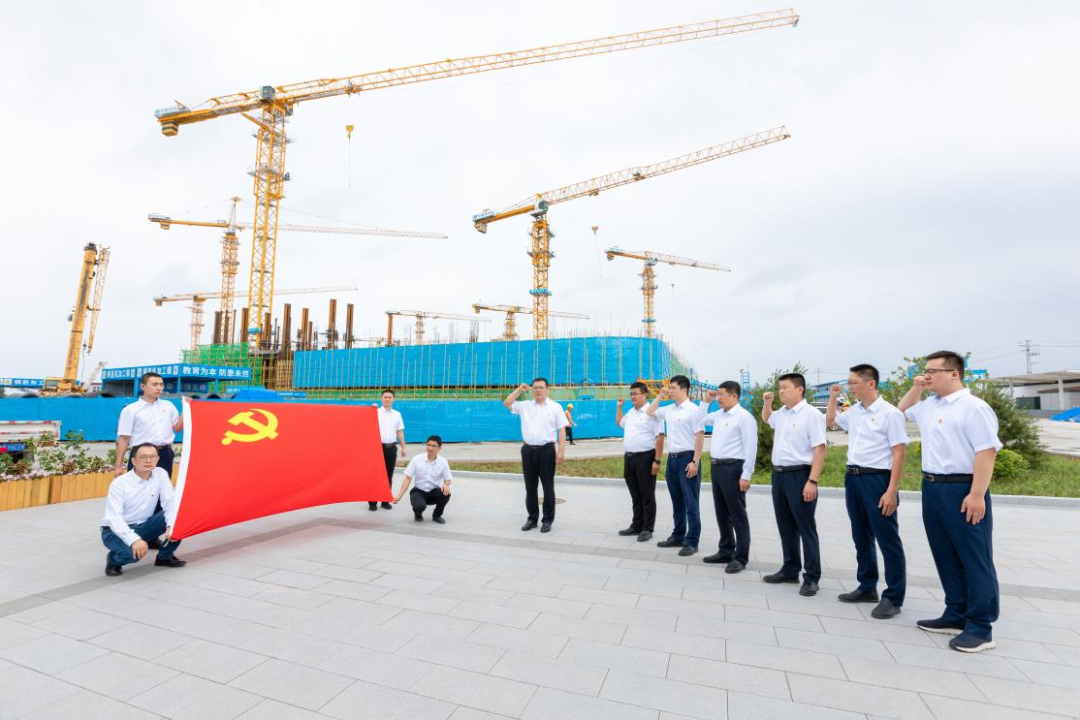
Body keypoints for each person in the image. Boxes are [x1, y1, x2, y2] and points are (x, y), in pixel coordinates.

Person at [898, 350, 1002, 653]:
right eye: (924, 370)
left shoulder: (974, 408)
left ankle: (980, 627)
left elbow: (986, 452)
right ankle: (955, 613)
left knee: (974, 558)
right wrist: (917, 387)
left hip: (963, 489)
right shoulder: (930, 405)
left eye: (932, 371)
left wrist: (977, 494)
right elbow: (901, 410)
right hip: (932, 487)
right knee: (944, 554)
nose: (926, 375)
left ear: (954, 373)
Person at [826, 365, 909, 619]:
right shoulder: (855, 411)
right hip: (853, 478)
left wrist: (891, 491)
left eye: (853, 383)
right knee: (860, 535)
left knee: (887, 539)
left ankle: (893, 597)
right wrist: (833, 397)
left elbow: (899, 454)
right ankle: (867, 586)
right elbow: (830, 421)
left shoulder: (890, 414)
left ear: (870, 383)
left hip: (877, 480)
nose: (849, 387)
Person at [761, 373, 827, 596]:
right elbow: (767, 419)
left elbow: (820, 448)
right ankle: (790, 569)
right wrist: (767, 403)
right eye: (779, 387)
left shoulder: (812, 414)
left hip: (800, 475)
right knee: (785, 525)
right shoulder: (782, 413)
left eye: (785, 387)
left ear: (799, 389)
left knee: (805, 526)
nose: (781, 391)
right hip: (779, 475)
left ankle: (812, 577)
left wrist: (812, 481)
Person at [696, 381, 757, 574]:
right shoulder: (719, 415)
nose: (718, 398)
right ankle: (726, 550)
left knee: (737, 514)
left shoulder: (744, 417)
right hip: (717, 467)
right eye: (718, 394)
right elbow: (699, 420)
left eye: (721, 394)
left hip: (733, 468)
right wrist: (706, 401)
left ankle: (741, 557)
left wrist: (746, 475)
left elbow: (750, 448)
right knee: (721, 512)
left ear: (734, 396)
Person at [101, 443, 185, 576]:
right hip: (114, 531)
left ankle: (164, 557)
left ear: (157, 459)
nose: (148, 461)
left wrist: (171, 526)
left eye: (152, 457)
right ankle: (113, 560)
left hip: (144, 525)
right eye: (143, 457)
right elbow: (114, 518)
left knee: (179, 516)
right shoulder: (119, 484)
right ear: (134, 461)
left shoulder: (161, 474)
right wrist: (134, 540)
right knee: (133, 555)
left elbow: (169, 503)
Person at [647, 375, 706, 556]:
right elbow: (649, 411)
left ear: (684, 390)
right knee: (677, 501)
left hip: (688, 458)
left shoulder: (694, 410)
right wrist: (660, 395)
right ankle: (678, 535)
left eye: (673, 388)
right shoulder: (669, 409)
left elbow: (699, 436)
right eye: (669, 388)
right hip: (672, 460)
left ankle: (692, 541)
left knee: (691, 502)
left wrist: (695, 461)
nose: (670, 390)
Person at [504, 378, 568, 533]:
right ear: (532, 390)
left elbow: (561, 429)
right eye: (535, 388)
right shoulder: (525, 405)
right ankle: (532, 519)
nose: (538, 390)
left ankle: (547, 520)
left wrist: (561, 451)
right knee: (530, 487)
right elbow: (507, 403)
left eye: (541, 387)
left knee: (548, 486)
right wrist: (519, 390)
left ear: (547, 389)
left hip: (547, 451)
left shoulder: (555, 407)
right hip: (528, 450)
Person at [615, 382, 665, 542]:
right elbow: (619, 423)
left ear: (645, 395)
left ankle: (647, 528)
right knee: (635, 494)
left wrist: (657, 460)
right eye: (631, 394)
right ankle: (636, 525)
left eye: (635, 393)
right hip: (629, 458)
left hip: (646, 458)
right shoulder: (631, 412)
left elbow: (660, 437)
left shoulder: (653, 413)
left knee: (647, 494)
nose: (632, 397)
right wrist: (619, 407)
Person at [115, 372, 182, 477]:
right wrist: (118, 465)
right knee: (139, 485)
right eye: (154, 384)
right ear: (143, 386)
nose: (159, 388)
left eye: (161, 385)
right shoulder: (130, 410)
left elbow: (177, 428)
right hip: (141, 454)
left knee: (162, 486)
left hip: (165, 454)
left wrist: (186, 410)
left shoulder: (168, 406)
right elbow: (124, 438)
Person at [393, 435, 452, 523]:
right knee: (419, 506)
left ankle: (437, 515)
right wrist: (399, 495)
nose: (430, 448)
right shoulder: (417, 459)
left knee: (446, 493)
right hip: (418, 491)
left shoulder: (443, 462)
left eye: (434, 446)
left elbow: (448, 479)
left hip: (433, 492)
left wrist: (446, 484)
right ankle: (418, 513)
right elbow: (408, 478)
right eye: (429, 445)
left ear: (439, 448)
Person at [372, 389, 407, 511]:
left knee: (388, 475)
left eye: (389, 397)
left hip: (391, 448)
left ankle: (385, 500)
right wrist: (370, 409)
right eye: (385, 397)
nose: (387, 399)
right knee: (375, 475)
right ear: (381, 398)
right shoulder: (375, 412)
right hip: (377, 448)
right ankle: (372, 502)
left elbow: (400, 431)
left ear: (393, 399)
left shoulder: (397, 414)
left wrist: (403, 447)